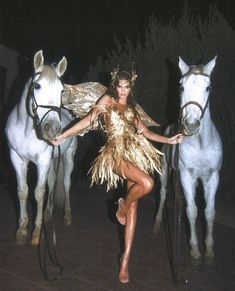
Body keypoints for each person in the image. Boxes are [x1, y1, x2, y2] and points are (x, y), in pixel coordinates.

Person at [51, 67, 183, 284]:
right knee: (147, 183)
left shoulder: (132, 107)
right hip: (115, 154)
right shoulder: (107, 100)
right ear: (115, 85)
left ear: (131, 87)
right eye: (120, 86)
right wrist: (63, 136)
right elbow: (87, 120)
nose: (123, 91)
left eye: (127, 86)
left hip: (135, 154)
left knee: (134, 207)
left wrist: (169, 140)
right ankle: (121, 205)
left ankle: (125, 262)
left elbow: (146, 132)